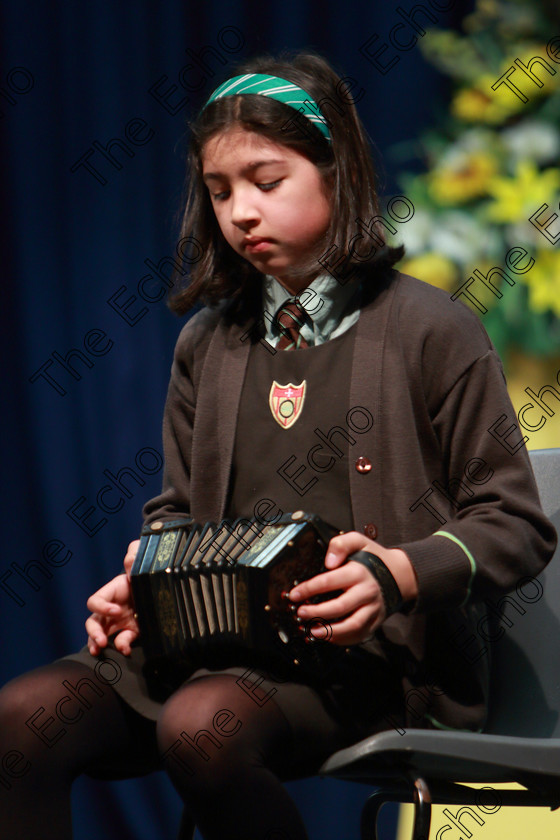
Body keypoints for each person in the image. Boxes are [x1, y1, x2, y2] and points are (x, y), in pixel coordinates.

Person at [0, 51, 556, 840]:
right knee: (22, 720)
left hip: (371, 659)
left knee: (201, 727)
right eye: (220, 192)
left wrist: (396, 572)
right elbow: (177, 512)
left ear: (339, 174)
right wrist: (147, 585)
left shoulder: (432, 329)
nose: (240, 213)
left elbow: (515, 524)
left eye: (267, 182)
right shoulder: (208, 343)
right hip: (209, 647)